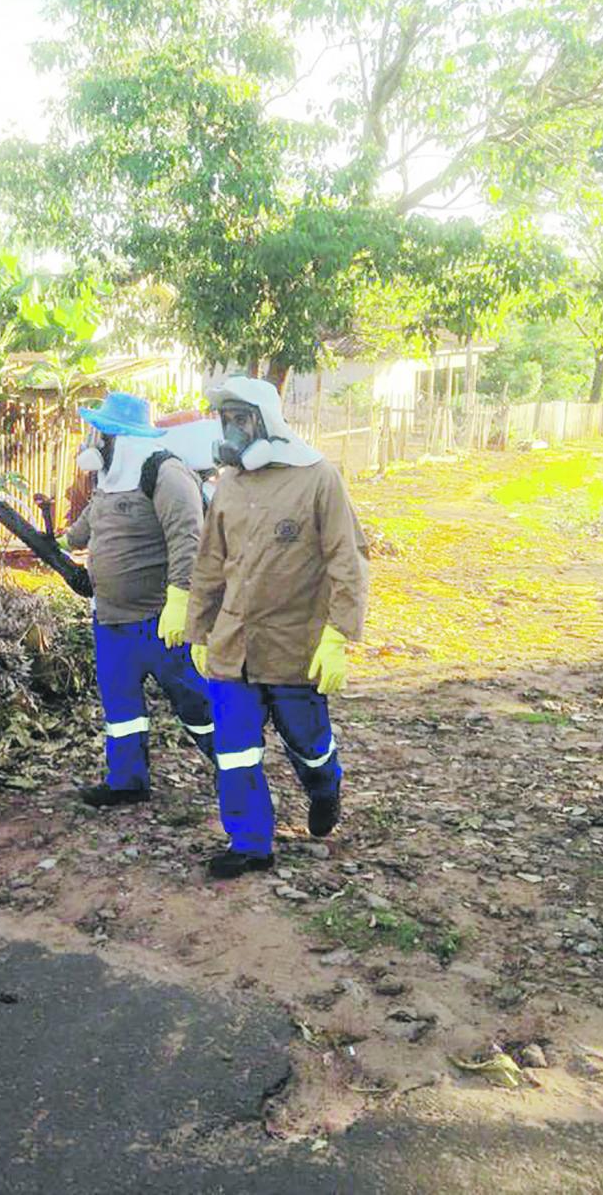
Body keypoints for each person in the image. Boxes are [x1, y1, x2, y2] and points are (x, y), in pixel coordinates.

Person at [185, 376, 369, 878]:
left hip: (295, 645)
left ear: (265, 420)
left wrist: (338, 636)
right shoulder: (229, 485)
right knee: (235, 749)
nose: (232, 430)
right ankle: (250, 842)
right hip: (233, 644)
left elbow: (347, 561)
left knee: (307, 741)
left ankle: (325, 784)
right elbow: (208, 563)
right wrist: (197, 629)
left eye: (241, 420)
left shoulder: (317, 477)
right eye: (226, 421)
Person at [61, 392, 216, 806]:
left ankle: (231, 760)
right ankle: (127, 779)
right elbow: (82, 531)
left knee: (194, 699)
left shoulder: (165, 473)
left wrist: (179, 601)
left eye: (101, 434)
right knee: (120, 704)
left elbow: (188, 537)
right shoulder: (110, 480)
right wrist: (55, 540)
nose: (94, 442)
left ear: (120, 437)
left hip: (158, 619)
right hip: (110, 619)